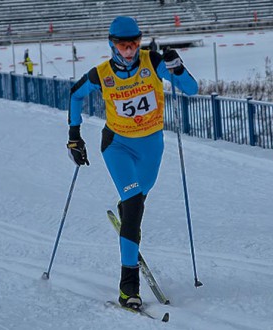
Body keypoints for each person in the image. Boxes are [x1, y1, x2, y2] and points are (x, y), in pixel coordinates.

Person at [66, 16, 198, 310]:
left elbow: (192, 89)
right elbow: (75, 94)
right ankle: (129, 287)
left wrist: (177, 67)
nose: (130, 50)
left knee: (139, 196)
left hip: (151, 146)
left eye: (135, 44)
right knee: (135, 202)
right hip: (118, 146)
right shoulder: (102, 74)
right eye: (123, 45)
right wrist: (74, 137)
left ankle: (128, 209)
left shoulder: (154, 62)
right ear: (112, 45)